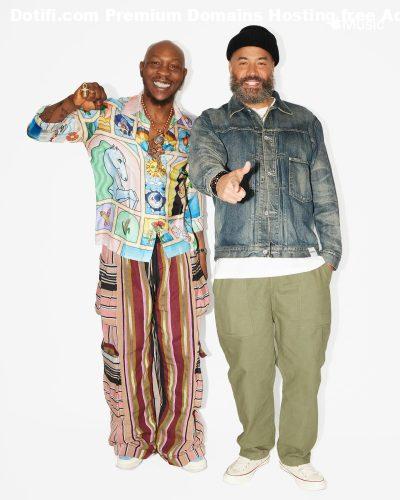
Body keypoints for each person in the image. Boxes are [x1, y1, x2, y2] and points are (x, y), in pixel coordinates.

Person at [27, 40, 209, 472]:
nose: (164, 73)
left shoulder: (196, 129)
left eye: (174, 67)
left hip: (181, 248)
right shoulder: (105, 115)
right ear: (142, 68)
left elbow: (206, 189)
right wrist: (71, 101)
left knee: (183, 347)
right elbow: (38, 130)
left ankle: (182, 441)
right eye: (156, 64)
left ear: (184, 75)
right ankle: (131, 438)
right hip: (124, 246)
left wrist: (203, 254)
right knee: (126, 344)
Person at [189, 25, 342, 489]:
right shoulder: (212, 121)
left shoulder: (304, 122)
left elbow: (324, 192)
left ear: (273, 66)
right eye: (243, 61)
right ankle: (254, 448)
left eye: (261, 61)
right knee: (248, 370)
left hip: (302, 269)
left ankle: (296, 454)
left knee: (304, 369)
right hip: (239, 271)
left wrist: (329, 257)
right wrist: (221, 182)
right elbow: (201, 165)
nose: (252, 70)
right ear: (231, 67)